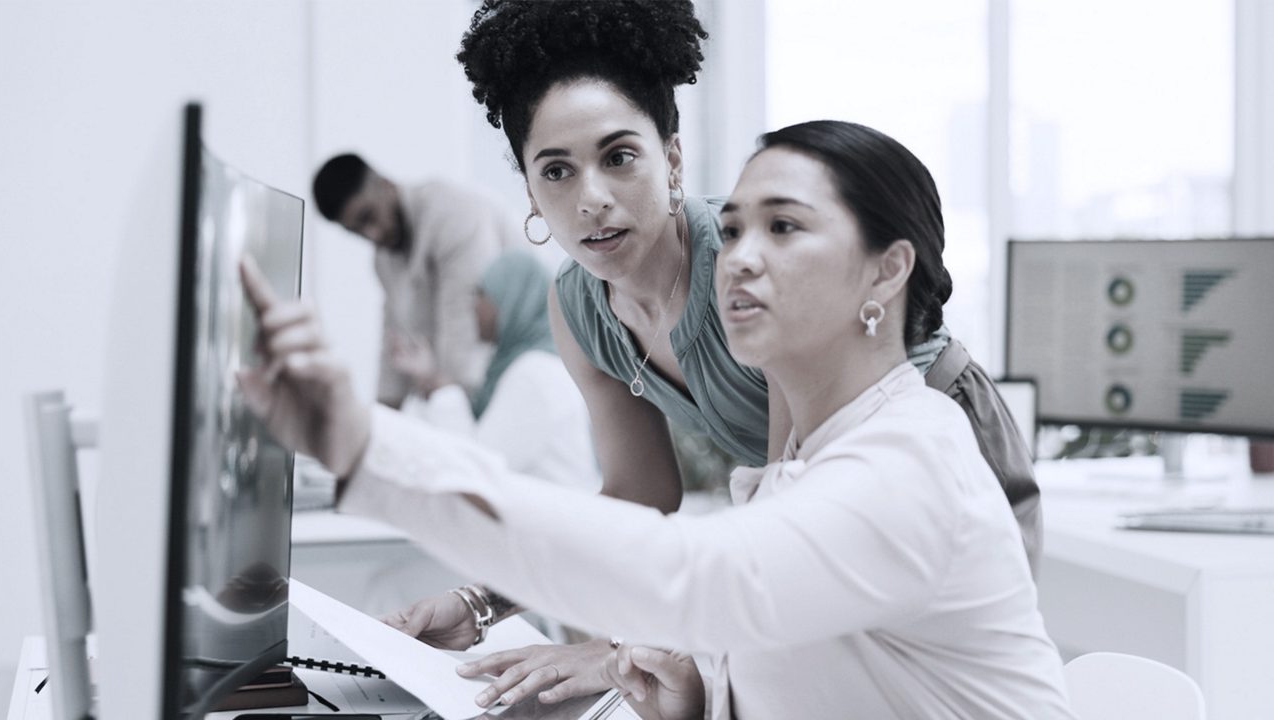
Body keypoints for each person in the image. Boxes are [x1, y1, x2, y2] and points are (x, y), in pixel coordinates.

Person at [237, 119, 1075, 719]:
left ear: (887, 272)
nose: (740, 254)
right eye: (737, 227)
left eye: (783, 227)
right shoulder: (800, 461)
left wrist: (364, 446)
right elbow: (811, 661)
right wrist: (696, 697)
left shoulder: (911, 456)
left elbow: (703, 579)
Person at [347, 0, 1041, 707]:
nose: (591, 199)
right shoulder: (578, 304)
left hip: (915, 431)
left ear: (671, 157)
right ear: (528, 190)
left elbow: (759, 541)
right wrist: (481, 603)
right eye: (556, 172)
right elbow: (641, 493)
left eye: (619, 158)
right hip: (796, 498)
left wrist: (614, 651)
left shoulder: (745, 277)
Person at [312, 153, 515, 408]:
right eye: (356, 231)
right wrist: (379, 426)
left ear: (386, 185)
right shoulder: (383, 258)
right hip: (472, 390)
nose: (371, 235)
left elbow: (465, 332)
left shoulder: (452, 214)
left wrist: (451, 413)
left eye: (368, 217)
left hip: (519, 374)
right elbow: (395, 344)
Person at [392, 250, 599, 490]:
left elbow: (476, 467)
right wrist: (429, 380)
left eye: (482, 293)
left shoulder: (536, 374)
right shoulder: (517, 365)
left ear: (512, 299)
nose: (474, 305)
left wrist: (441, 387)